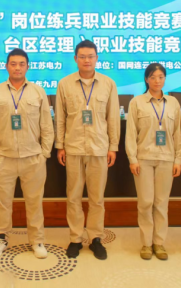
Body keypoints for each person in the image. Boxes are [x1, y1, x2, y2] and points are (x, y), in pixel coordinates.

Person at [0, 48, 54, 259]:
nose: (17, 67)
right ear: (6, 66)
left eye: (21, 64)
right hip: (3, 158)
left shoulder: (38, 92)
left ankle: (37, 240)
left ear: (27, 66)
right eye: (13, 64)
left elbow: (46, 124)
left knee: (34, 202)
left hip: (32, 158)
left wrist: (44, 153)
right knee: (2, 203)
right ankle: (1, 238)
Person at [56, 40, 120, 260]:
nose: (86, 60)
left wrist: (113, 147)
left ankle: (95, 238)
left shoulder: (108, 84)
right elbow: (60, 118)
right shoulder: (64, 84)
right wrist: (60, 146)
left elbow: (113, 117)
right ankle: (75, 238)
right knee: (73, 196)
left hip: (99, 148)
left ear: (97, 58)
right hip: (73, 148)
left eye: (90, 56)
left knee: (97, 198)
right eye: (82, 56)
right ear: (75, 59)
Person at [126, 63, 181, 260]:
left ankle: (158, 243)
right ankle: (146, 243)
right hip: (143, 158)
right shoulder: (137, 102)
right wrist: (132, 159)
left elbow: (178, 133)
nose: (157, 81)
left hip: (167, 158)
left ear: (165, 79)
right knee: (145, 202)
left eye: (161, 77)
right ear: (146, 79)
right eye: (153, 77)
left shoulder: (173, 103)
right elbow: (131, 133)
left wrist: (178, 160)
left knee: (161, 203)